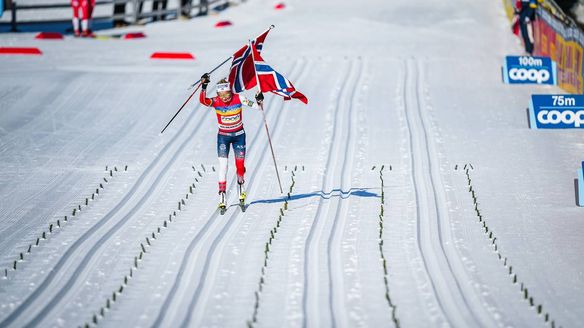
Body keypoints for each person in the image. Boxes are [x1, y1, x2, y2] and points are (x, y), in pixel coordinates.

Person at [199, 74, 264, 210]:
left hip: (239, 135)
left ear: (230, 91)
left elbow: (258, 108)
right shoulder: (216, 101)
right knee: (223, 167)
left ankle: (240, 185)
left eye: (227, 94)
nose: (225, 98)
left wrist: (259, 101)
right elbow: (203, 101)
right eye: (222, 95)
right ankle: (222, 195)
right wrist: (204, 86)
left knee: (240, 166)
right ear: (218, 94)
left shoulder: (238, 98)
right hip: (223, 137)